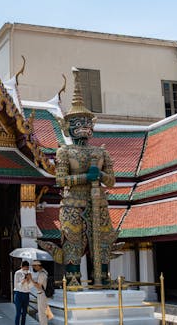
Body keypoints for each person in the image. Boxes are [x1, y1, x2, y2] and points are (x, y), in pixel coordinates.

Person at [55, 68, 117, 286]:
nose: (83, 127)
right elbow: (60, 180)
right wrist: (84, 177)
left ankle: (102, 278)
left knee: (102, 242)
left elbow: (111, 180)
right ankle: (73, 280)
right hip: (73, 203)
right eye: (77, 123)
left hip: (98, 203)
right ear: (67, 126)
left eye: (86, 122)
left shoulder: (101, 152)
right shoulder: (64, 152)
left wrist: (99, 174)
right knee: (72, 242)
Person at [30, 260, 48, 325]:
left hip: (42, 295)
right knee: (43, 313)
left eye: (34, 266)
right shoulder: (44, 272)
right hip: (42, 294)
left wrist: (31, 279)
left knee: (42, 313)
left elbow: (38, 286)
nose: (33, 267)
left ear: (38, 265)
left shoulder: (42, 274)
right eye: (33, 266)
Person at [14, 260, 31, 325]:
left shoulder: (29, 273)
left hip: (26, 294)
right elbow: (16, 286)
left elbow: (30, 286)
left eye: (28, 268)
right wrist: (23, 281)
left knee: (24, 313)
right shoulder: (17, 273)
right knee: (18, 313)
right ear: (23, 267)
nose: (27, 269)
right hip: (19, 294)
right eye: (26, 267)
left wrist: (29, 280)